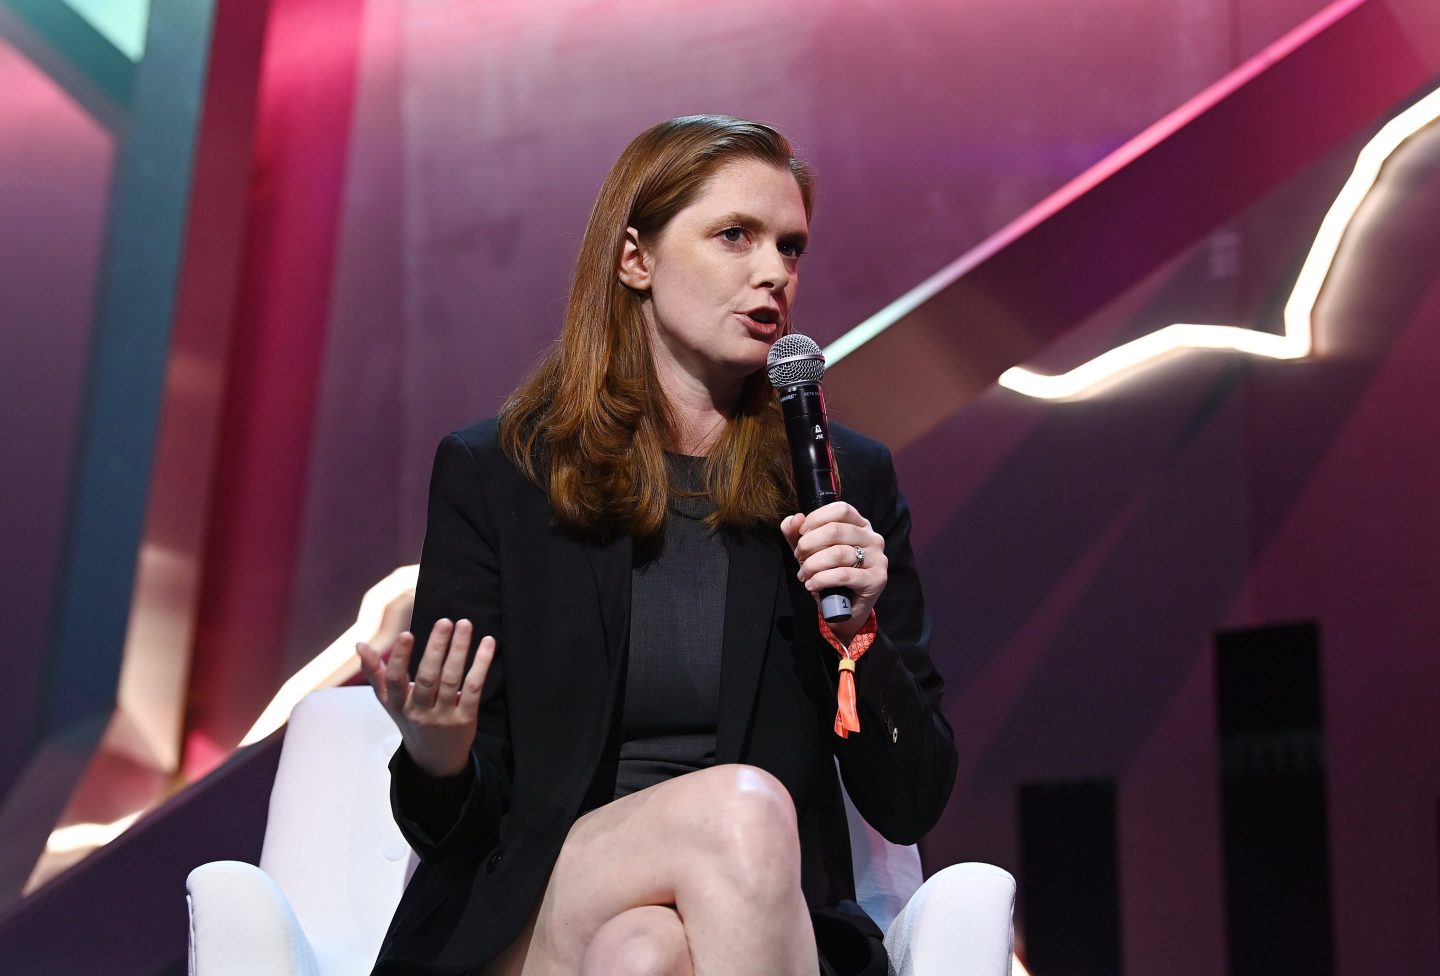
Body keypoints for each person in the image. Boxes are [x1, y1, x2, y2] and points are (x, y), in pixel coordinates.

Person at [356, 115, 956, 976]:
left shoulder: (841, 483)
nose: (773, 272)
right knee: (743, 810)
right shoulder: (501, 475)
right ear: (635, 259)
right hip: (539, 904)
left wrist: (858, 634)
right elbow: (464, 831)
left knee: (644, 955)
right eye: (735, 236)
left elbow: (911, 801)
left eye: (790, 248)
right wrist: (438, 758)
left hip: (751, 915)